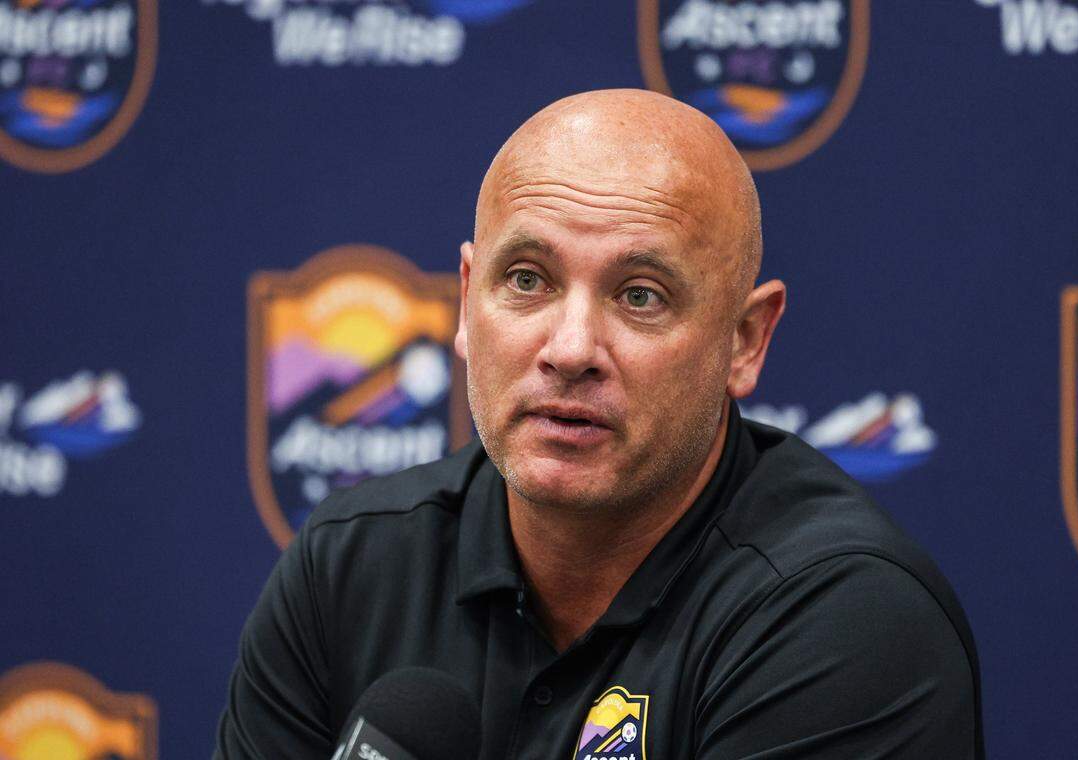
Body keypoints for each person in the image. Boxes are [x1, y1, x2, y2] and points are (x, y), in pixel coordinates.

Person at [214, 89, 983, 759]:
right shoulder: (351, 565)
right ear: (464, 298)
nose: (571, 349)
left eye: (640, 295)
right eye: (526, 280)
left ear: (744, 341)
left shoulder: (844, 620)